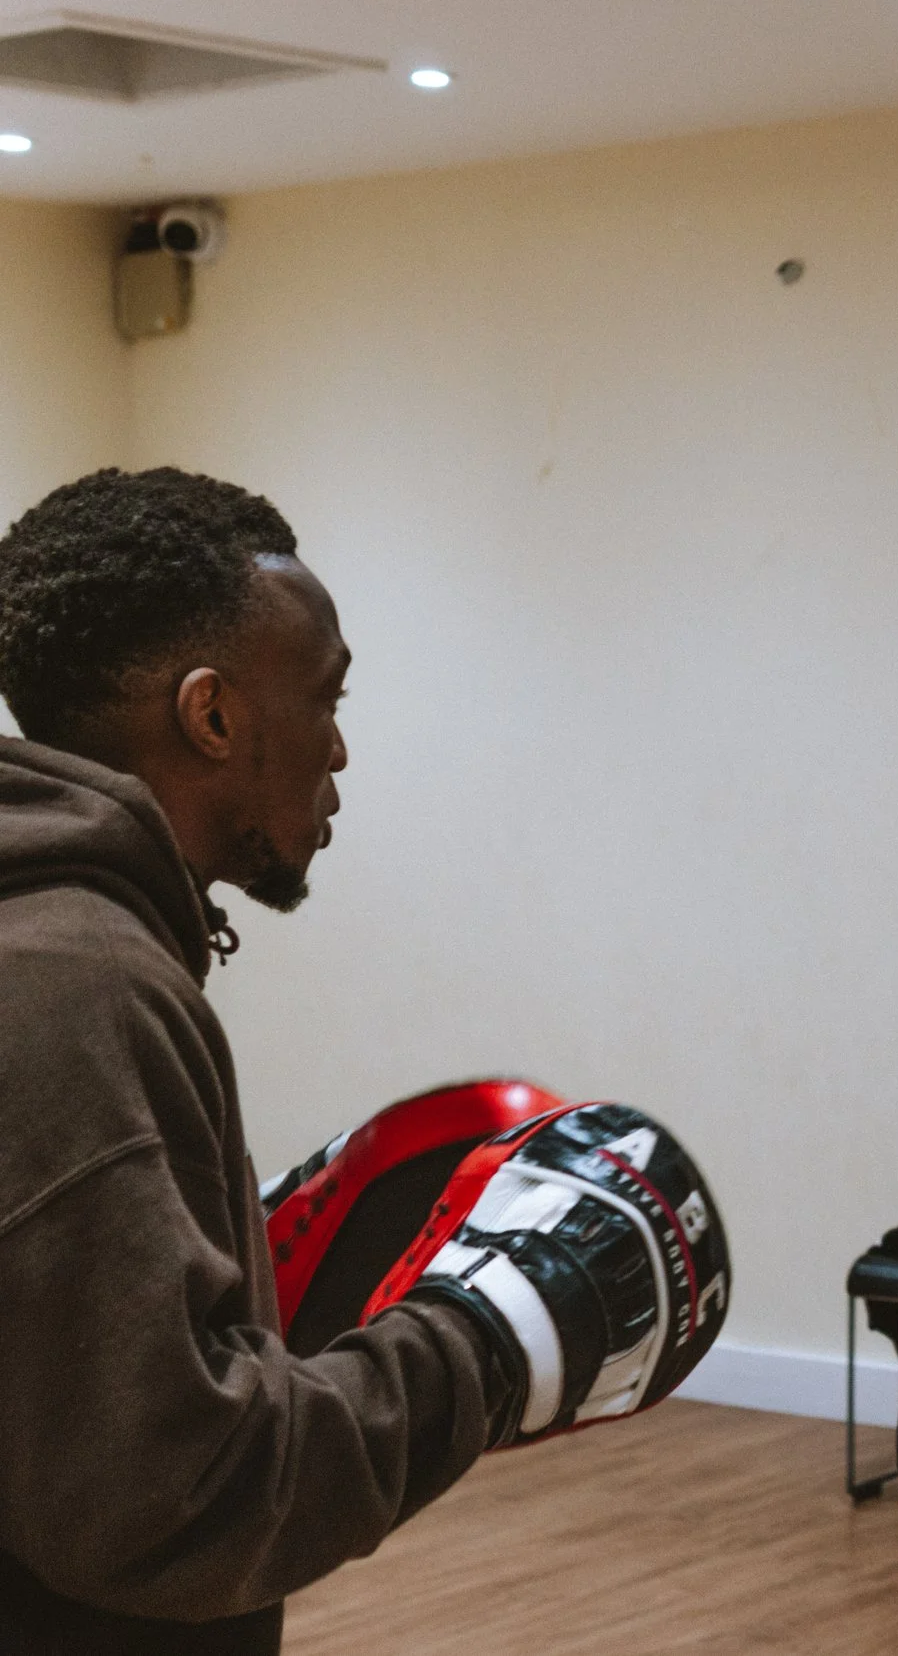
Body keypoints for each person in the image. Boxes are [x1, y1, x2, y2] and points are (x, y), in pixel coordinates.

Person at [0, 468, 724, 1653]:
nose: (340, 748)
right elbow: (184, 1501)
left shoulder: (59, 944)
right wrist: (484, 1342)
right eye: (325, 698)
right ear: (214, 715)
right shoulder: (79, 983)